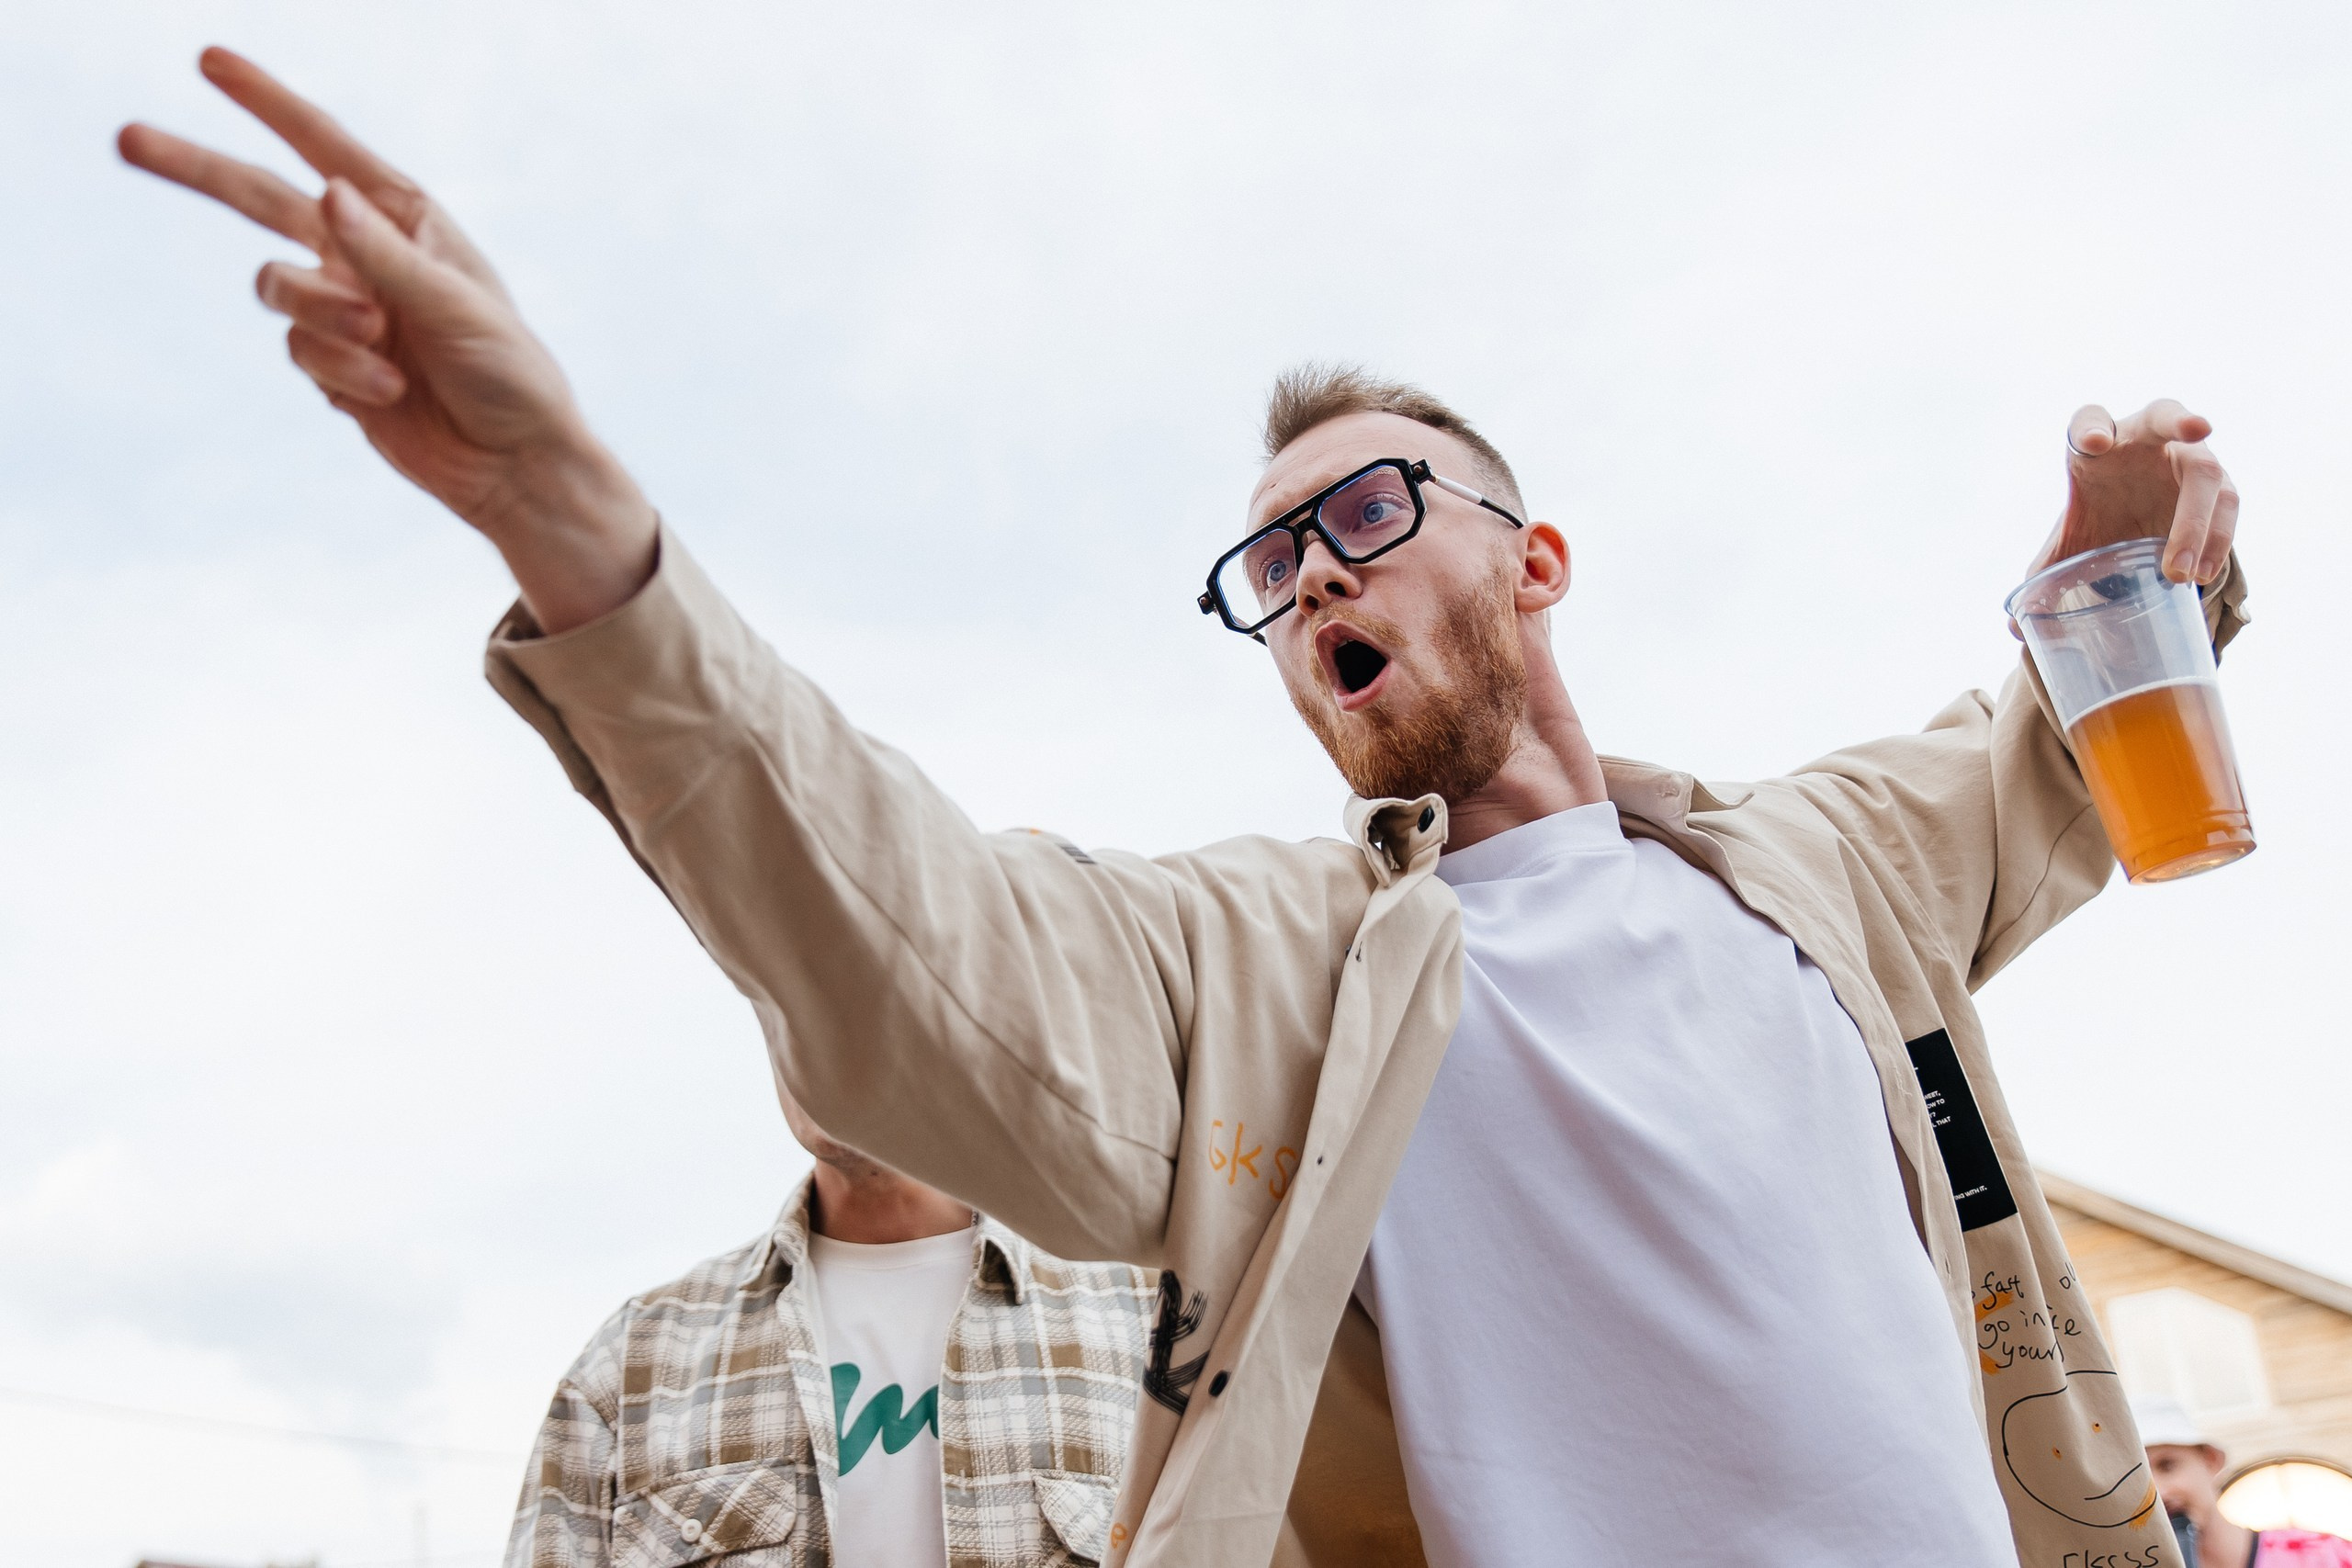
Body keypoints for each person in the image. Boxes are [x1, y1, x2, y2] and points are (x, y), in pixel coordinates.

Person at [120, 49, 2255, 1568]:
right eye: (1266, 563)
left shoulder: (1824, 864)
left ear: (1533, 560)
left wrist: (2127, 563)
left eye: (1362, 508)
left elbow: (2070, 736)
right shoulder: (1280, 973)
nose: (1308, 570)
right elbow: (916, 941)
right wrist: (570, 523)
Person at [506, 1072, 1154, 1567]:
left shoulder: (1147, 1327)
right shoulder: (631, 1366)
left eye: (850, 989)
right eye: (785, 994)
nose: (817, 1027)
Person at [2137, 1397, 2352, 1568]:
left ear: (2211, 1460)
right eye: (2139, 1479)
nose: (2160, 1492)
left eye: (2167, 1465)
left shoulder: (2325, 1556)